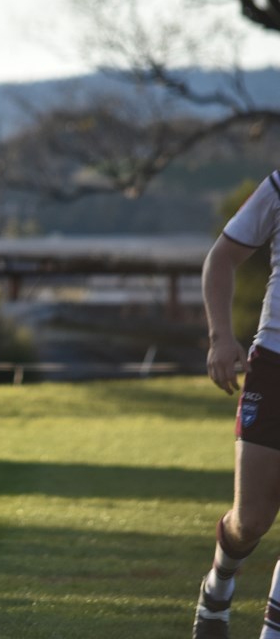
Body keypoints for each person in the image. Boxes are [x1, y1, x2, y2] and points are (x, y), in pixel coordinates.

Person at [195, 168, 280, 639]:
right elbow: (222, 259)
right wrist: (220, 338)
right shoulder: (278, 186)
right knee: (251, 520)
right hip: (273, 364)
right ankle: (219, 582)